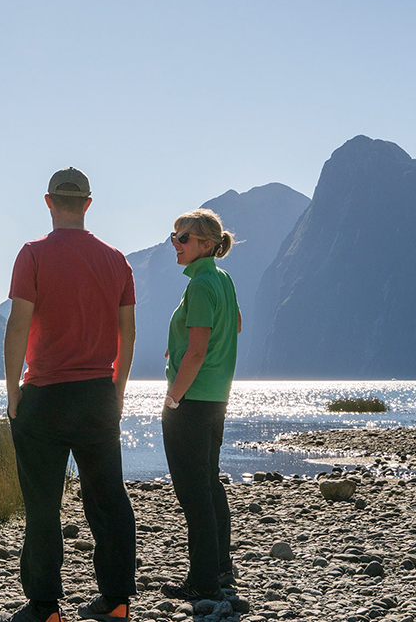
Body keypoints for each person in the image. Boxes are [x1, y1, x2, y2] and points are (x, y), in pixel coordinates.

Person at [2, 168, 137, 622]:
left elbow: (18, 324)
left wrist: (12, 392)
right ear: (88, 203)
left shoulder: (33, 254)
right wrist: (116, 390)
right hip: (99, 393)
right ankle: (116, 601)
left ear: (48, 202)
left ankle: (45, 607)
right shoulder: (117, 260)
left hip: (45, 393)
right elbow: (127, 333)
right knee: (108, 499)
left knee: (43, 504)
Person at [160, 209, 242, 604]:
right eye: (174, 237)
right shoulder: (221, 279)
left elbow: (196, 351)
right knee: (209, 484)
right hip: (216, 397)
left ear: (206, 244)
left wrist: (173, 396)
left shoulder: (201, 284)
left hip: (191, 400)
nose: (176, 244)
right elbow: (236, 323)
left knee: (194, 492)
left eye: (184, 238)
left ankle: (203, 581)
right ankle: (221, 570)